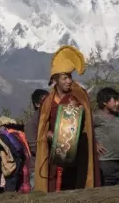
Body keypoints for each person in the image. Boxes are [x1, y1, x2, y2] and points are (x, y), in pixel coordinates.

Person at [34, 45, 100, 192]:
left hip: (76, 153)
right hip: (54, 152)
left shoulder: (78, 96)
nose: (69, 81)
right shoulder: (48, 102)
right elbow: (42, 128)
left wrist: (76, 109)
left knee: (75, 188)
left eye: (70, 77)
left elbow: (86, 124)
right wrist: (48, 135)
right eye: (65, 78)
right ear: (55, 80)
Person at [93, 87, 119, 186]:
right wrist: (95, 144)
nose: (117, 103)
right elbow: (86, 131)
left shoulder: (117, 116)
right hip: (106, 162)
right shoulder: (96, 116)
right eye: (115, 100)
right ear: (105, 102)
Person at [24, 89, 49, 189]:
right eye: (45, 101)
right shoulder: (31, 124)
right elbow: (34, 148)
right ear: (37, 104)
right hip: (38, 168)